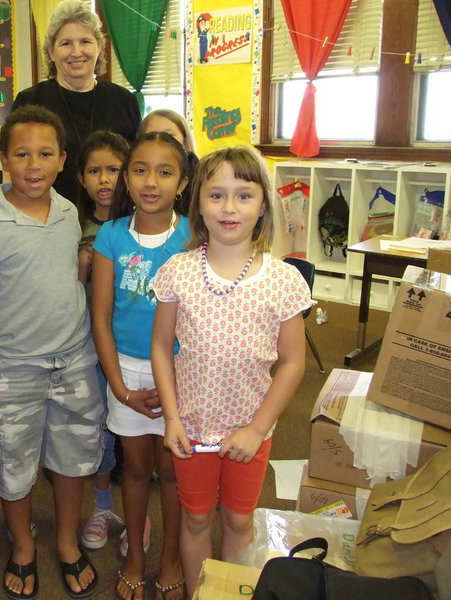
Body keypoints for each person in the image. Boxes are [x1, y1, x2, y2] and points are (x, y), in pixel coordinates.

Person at [150, 146, 312, 599]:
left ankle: (233, 591)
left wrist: (258, 430)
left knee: (239, 520)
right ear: (199, 203)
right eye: (216, 195)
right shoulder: (177, 271)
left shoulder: (283, 280)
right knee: (196, 517)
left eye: (243, 195)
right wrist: (172, 418)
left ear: (262, 206)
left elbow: (293, 362)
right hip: (193, 427)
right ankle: (202, 592)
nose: (229, 207)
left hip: (251, 428)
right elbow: (161, 347)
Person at [0, 105, 104, 600]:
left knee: (72, 458)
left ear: (62, 160)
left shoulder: (68, 211)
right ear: (2, 160)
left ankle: (66, 540)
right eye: (21, 154)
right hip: (14, 367)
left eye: (45, 154)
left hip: (74, 360)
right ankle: (22, 544)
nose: (34, 164)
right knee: (13, 462)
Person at [91, 132, 190, 600]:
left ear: (183, 181)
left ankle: (170, 556)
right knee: (134, 468)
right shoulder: (110, 236)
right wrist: (122, 388)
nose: (151, 181)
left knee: (172, 471)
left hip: (181, 371)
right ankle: (135, 555)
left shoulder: (195, 235)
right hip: (126, 371)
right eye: (140, 170)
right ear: (126, 179)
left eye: (165, 171)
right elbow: (101, 318)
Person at [11, 0, 140, 203]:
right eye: (66, 43)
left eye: (85, 42)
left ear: (99, 46)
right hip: (48, 218)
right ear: (52, 52)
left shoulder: (124, 101)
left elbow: (136, 168)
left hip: (113, 218)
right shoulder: (29, 102)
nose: (77, 52)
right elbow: (12, 168)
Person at [74, 131, 129, 552]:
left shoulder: (137, 222)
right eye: (95, 170)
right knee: (98, 427)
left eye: (113, 169)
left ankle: (138, 513)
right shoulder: (73, 224)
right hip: (90, 342)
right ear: (81, 177)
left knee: (138, 432)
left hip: (133, 341)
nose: (104, 179)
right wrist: (82, 264)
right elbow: (69, 289)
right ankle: (103, 504)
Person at [139, 109, 199, 216]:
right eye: (151, 136)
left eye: (169, 136)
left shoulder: (200, 176)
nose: (159, 141)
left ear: (184, 140)